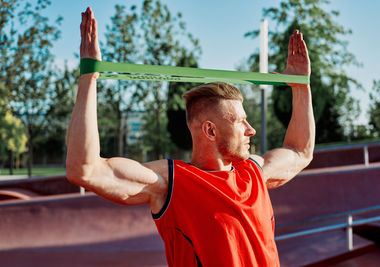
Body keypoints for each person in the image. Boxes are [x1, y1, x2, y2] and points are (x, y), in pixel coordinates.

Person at [66, 7, 315, 267]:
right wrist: (89, 76)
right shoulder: (172, 183)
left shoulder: (253, 172)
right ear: (210, 130)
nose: (251, 130)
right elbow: (84, 169)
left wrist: (301, 87)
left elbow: (300, 151)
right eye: (241, 122)